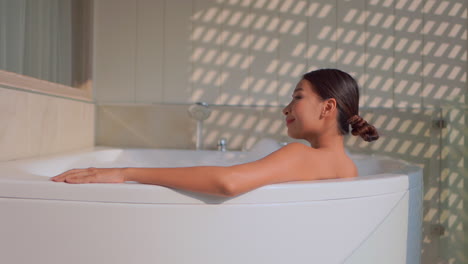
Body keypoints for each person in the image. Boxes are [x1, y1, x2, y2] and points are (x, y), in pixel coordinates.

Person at [51, 69, 379, 197]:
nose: (286, 108)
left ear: (327, 107)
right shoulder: (347, 168)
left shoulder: (304, 156)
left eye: (297, 97)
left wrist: (126, 172)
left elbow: (228, 182)